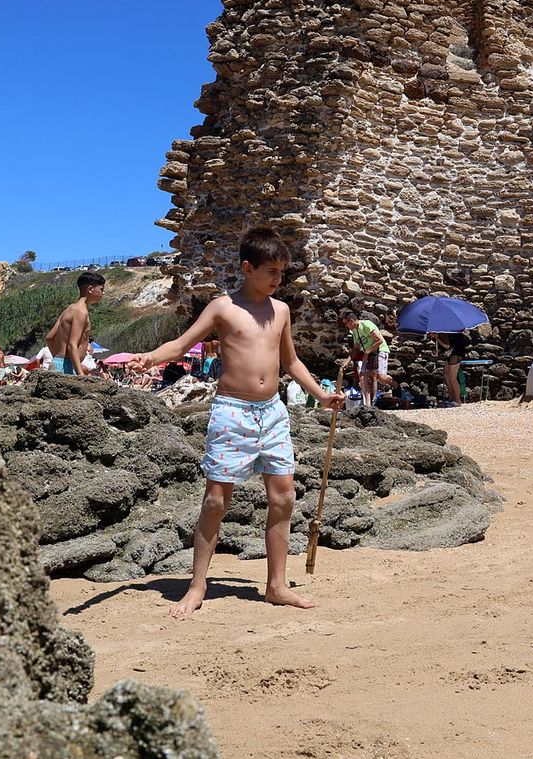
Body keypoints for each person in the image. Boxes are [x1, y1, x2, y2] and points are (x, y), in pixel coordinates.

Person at [129, 227, 343, 616]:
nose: (279, 280)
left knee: (284, 497)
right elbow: (181, 344)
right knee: (215, 500)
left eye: (282, 272)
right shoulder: (222, 307)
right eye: (272, 272)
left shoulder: (281, 311)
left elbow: (291, 362)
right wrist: (150, 358)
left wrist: (321, 396)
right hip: (232, 412)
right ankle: (197, 586)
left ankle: (276, 585)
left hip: (273, 412)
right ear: (248, 268)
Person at [43, 271, 105, 375]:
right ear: (90, 289)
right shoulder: (81, 311)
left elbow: (49, 337)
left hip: (58, 362)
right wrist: (80, 375)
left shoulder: (69, 308)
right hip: (67, 365)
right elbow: (72, 345)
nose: (103, 293)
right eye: (101, 289)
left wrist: (57, 358)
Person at [340, 312, 388, 406]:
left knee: (379, 377)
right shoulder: (354, 331)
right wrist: (347, 361)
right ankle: (368, 404)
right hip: (369, 353)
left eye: (346, 323)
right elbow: (356, 348)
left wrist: (367, 352)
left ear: (352, 321)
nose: (346, 326)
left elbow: (379, 340)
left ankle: (393, 385)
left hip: (379, 350)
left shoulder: (366, 324)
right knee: (363, 375)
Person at [431, 331, 469, 407]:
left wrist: (437, 338)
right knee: (447, 376)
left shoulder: (443, 332)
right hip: (451, 354)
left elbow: (447, 345)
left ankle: (457, 400)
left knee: (452, 377)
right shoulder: (441, 333)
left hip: (456, 353)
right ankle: (452, 398)